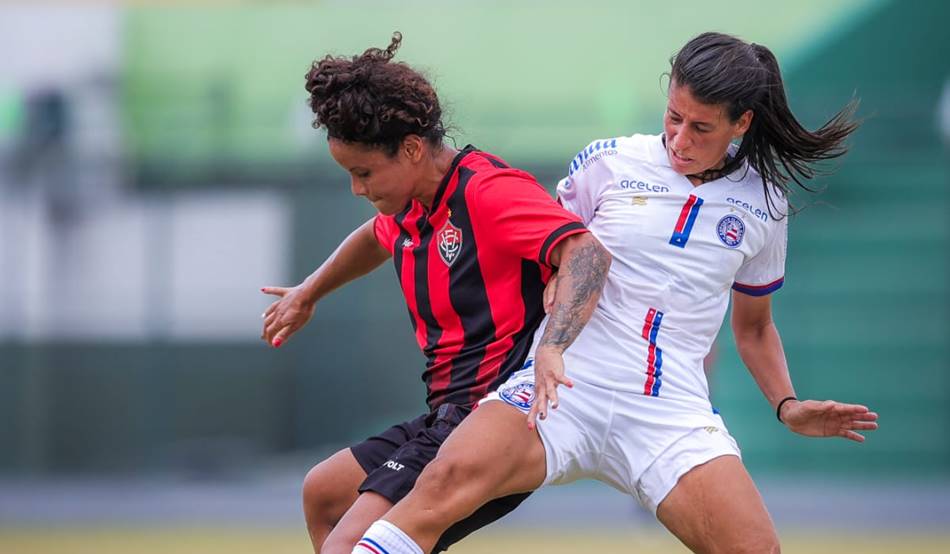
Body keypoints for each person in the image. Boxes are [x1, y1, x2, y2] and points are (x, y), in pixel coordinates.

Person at [351, 32, 879, 554]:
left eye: (701, 127)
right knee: (441, 484)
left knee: (755, 548)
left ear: (741, 123)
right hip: (563, 389)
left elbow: (754, 327)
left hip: (670, 412)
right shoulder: (609, 162)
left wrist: (786, 406)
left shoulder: (765, 203)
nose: (679, 139)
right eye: (673, 116)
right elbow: (553, 254)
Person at [259, 33, 611, 554]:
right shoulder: (409, 205)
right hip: (443, 415)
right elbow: (372, 241)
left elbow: (586, 251)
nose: (357, 189)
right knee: (323, 494)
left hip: (486, 423)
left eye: (363, 172)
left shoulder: (486, 191)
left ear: (411, 148)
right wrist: (310, 292)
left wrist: (554, 346)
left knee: (350, 548)